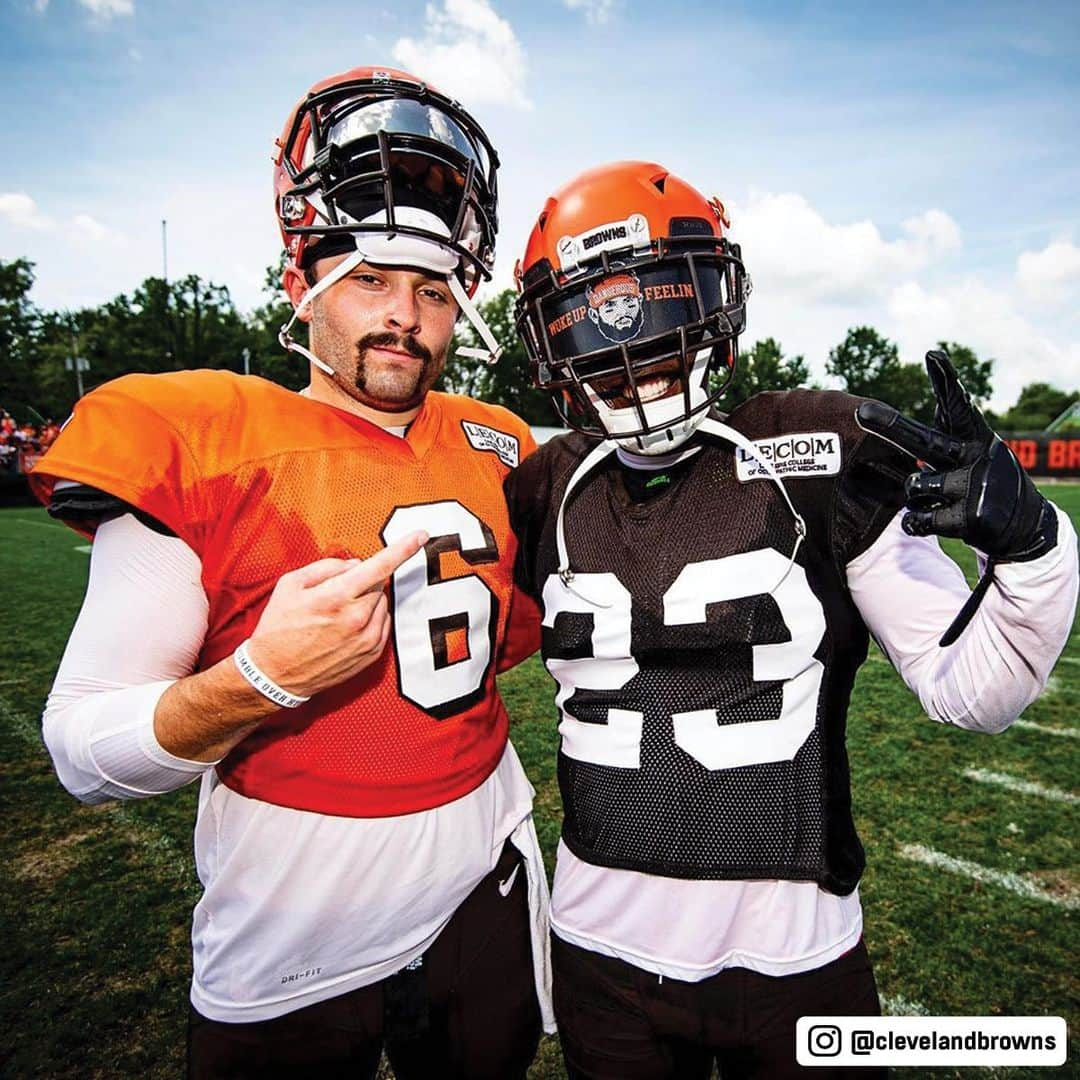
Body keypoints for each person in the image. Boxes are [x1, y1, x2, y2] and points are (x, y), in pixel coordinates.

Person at [30, 65, 551, 1079]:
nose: (404, 314)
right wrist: (259, 679)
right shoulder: (198, 432)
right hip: (293, 916)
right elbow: (79, 751)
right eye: (369, 277)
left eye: (433, 287)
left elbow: (515, 638)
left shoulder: (499, 439)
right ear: (298, 283)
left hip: (481, 876)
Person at [506, 160, 1078, 1079]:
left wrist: (1034, 549)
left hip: (795, 953)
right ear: (552, 342)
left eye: (657, 306)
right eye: (594, 319)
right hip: (599, 952)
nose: (631, 349)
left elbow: (973, 693)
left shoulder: (816, 454)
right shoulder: (542, 487)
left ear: (714, 300)